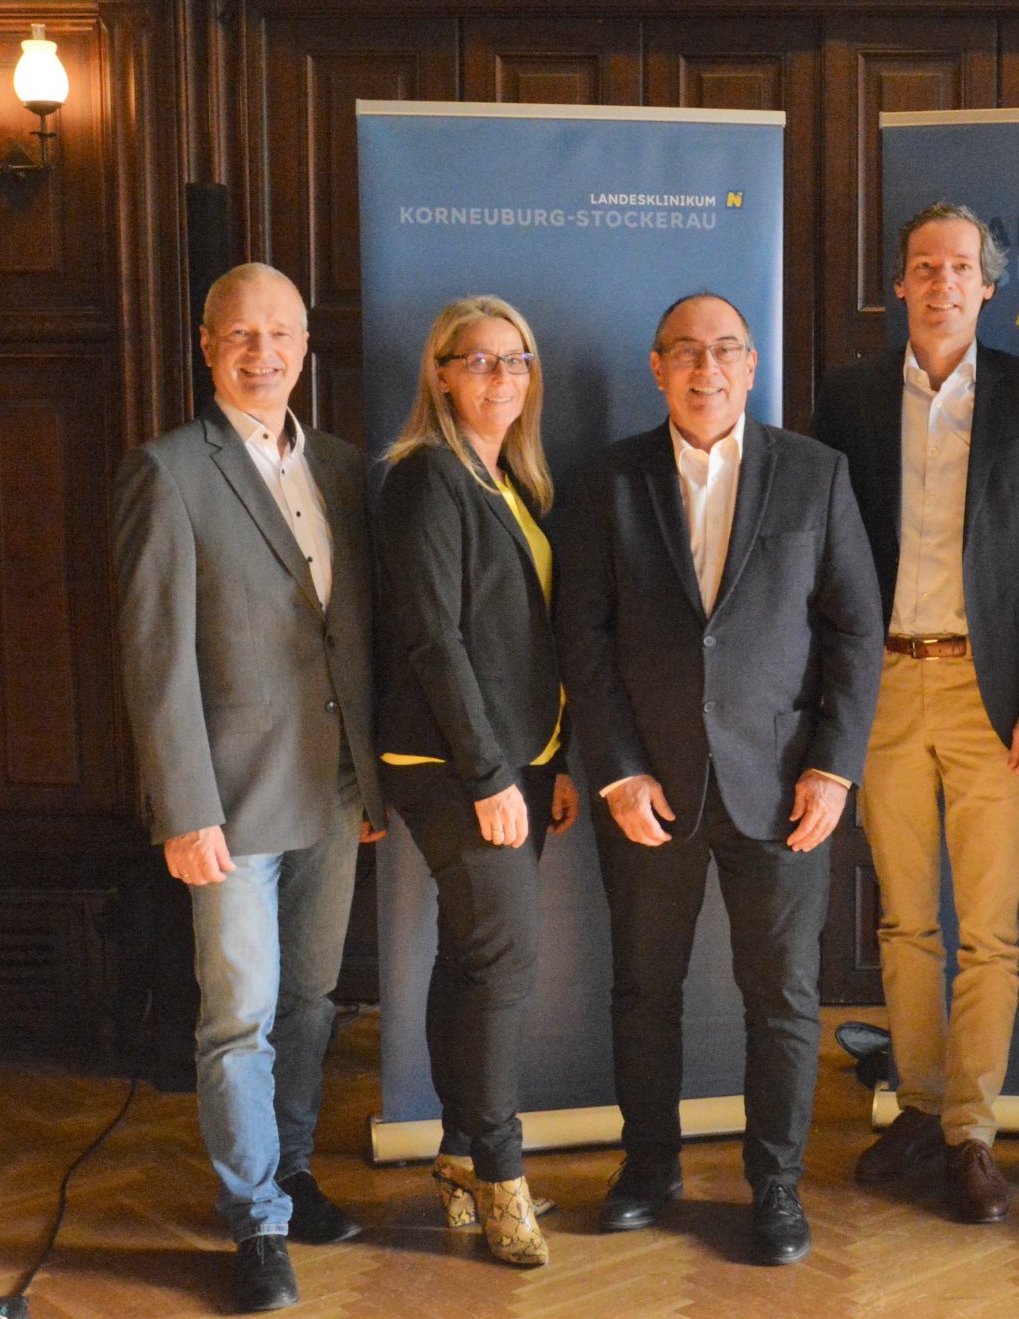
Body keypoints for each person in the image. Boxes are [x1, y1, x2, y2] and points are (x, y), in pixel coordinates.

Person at [555, 292, 883, 1266]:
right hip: (647, 789)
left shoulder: (813, 475)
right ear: (657, 369)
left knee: (780, 997)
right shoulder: (606, 481)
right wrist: (614, 773)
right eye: (686, 353)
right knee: (643, 989)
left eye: (725, 351)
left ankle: (773, 1187)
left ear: (751, 367)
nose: (706, 369)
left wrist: (831, 769)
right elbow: (585, 636)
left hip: (782, 789)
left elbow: (854, 632)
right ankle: (647, 1169)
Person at [111, 262, 382, 1313]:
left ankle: (294, 1172)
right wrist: (183, 808)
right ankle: (254, 1221)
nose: (262, 353)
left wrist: (371, 783)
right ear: (205, 343)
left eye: (280, 335)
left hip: (335, 792)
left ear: (305, 349)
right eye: (240, 335)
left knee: (312, 1003)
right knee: (238, 1016)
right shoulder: (169, 471)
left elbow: (353, 640)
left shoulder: (350, 472)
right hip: (226, 807)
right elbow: (153, 657)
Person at [814, 202, 1019, 1223]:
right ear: (900, 284)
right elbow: (822, 557)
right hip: (879, 686)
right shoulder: (845, 396)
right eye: (922, 266)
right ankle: (919, 1109)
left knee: (993, 932)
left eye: (958, 267)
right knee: (904, 921)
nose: (939, 282)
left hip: (991, 692)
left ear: (986, 285)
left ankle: (971, 1131)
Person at [374, 296, 579, 1267]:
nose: (502, 377)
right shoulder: (426, 481)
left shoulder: (513, 486)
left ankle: (457, 1154)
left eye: (516, 360)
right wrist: (492, 775)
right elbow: (433, 642)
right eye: (480, 360)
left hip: (521, 763)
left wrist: (553, 762)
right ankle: (501, 1177)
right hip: (453, 767)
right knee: (503, 966)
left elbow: (527, 644)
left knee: (469, 959)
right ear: (442, 374)